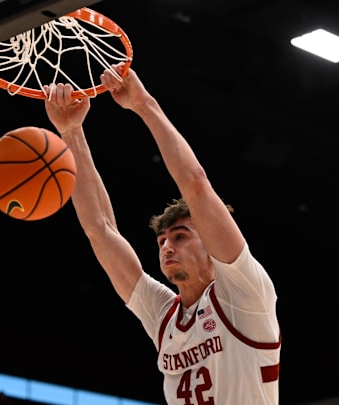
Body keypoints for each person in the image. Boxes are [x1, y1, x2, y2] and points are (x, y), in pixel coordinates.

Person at [43, 63, 281, 405]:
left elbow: (196, 184)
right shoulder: (163, 313)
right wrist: (71, 132)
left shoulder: (243, 293)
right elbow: (100, 229)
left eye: (181, 236)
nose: (167, 247)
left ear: (209, 242)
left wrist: (143, 104)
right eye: (162, 241)